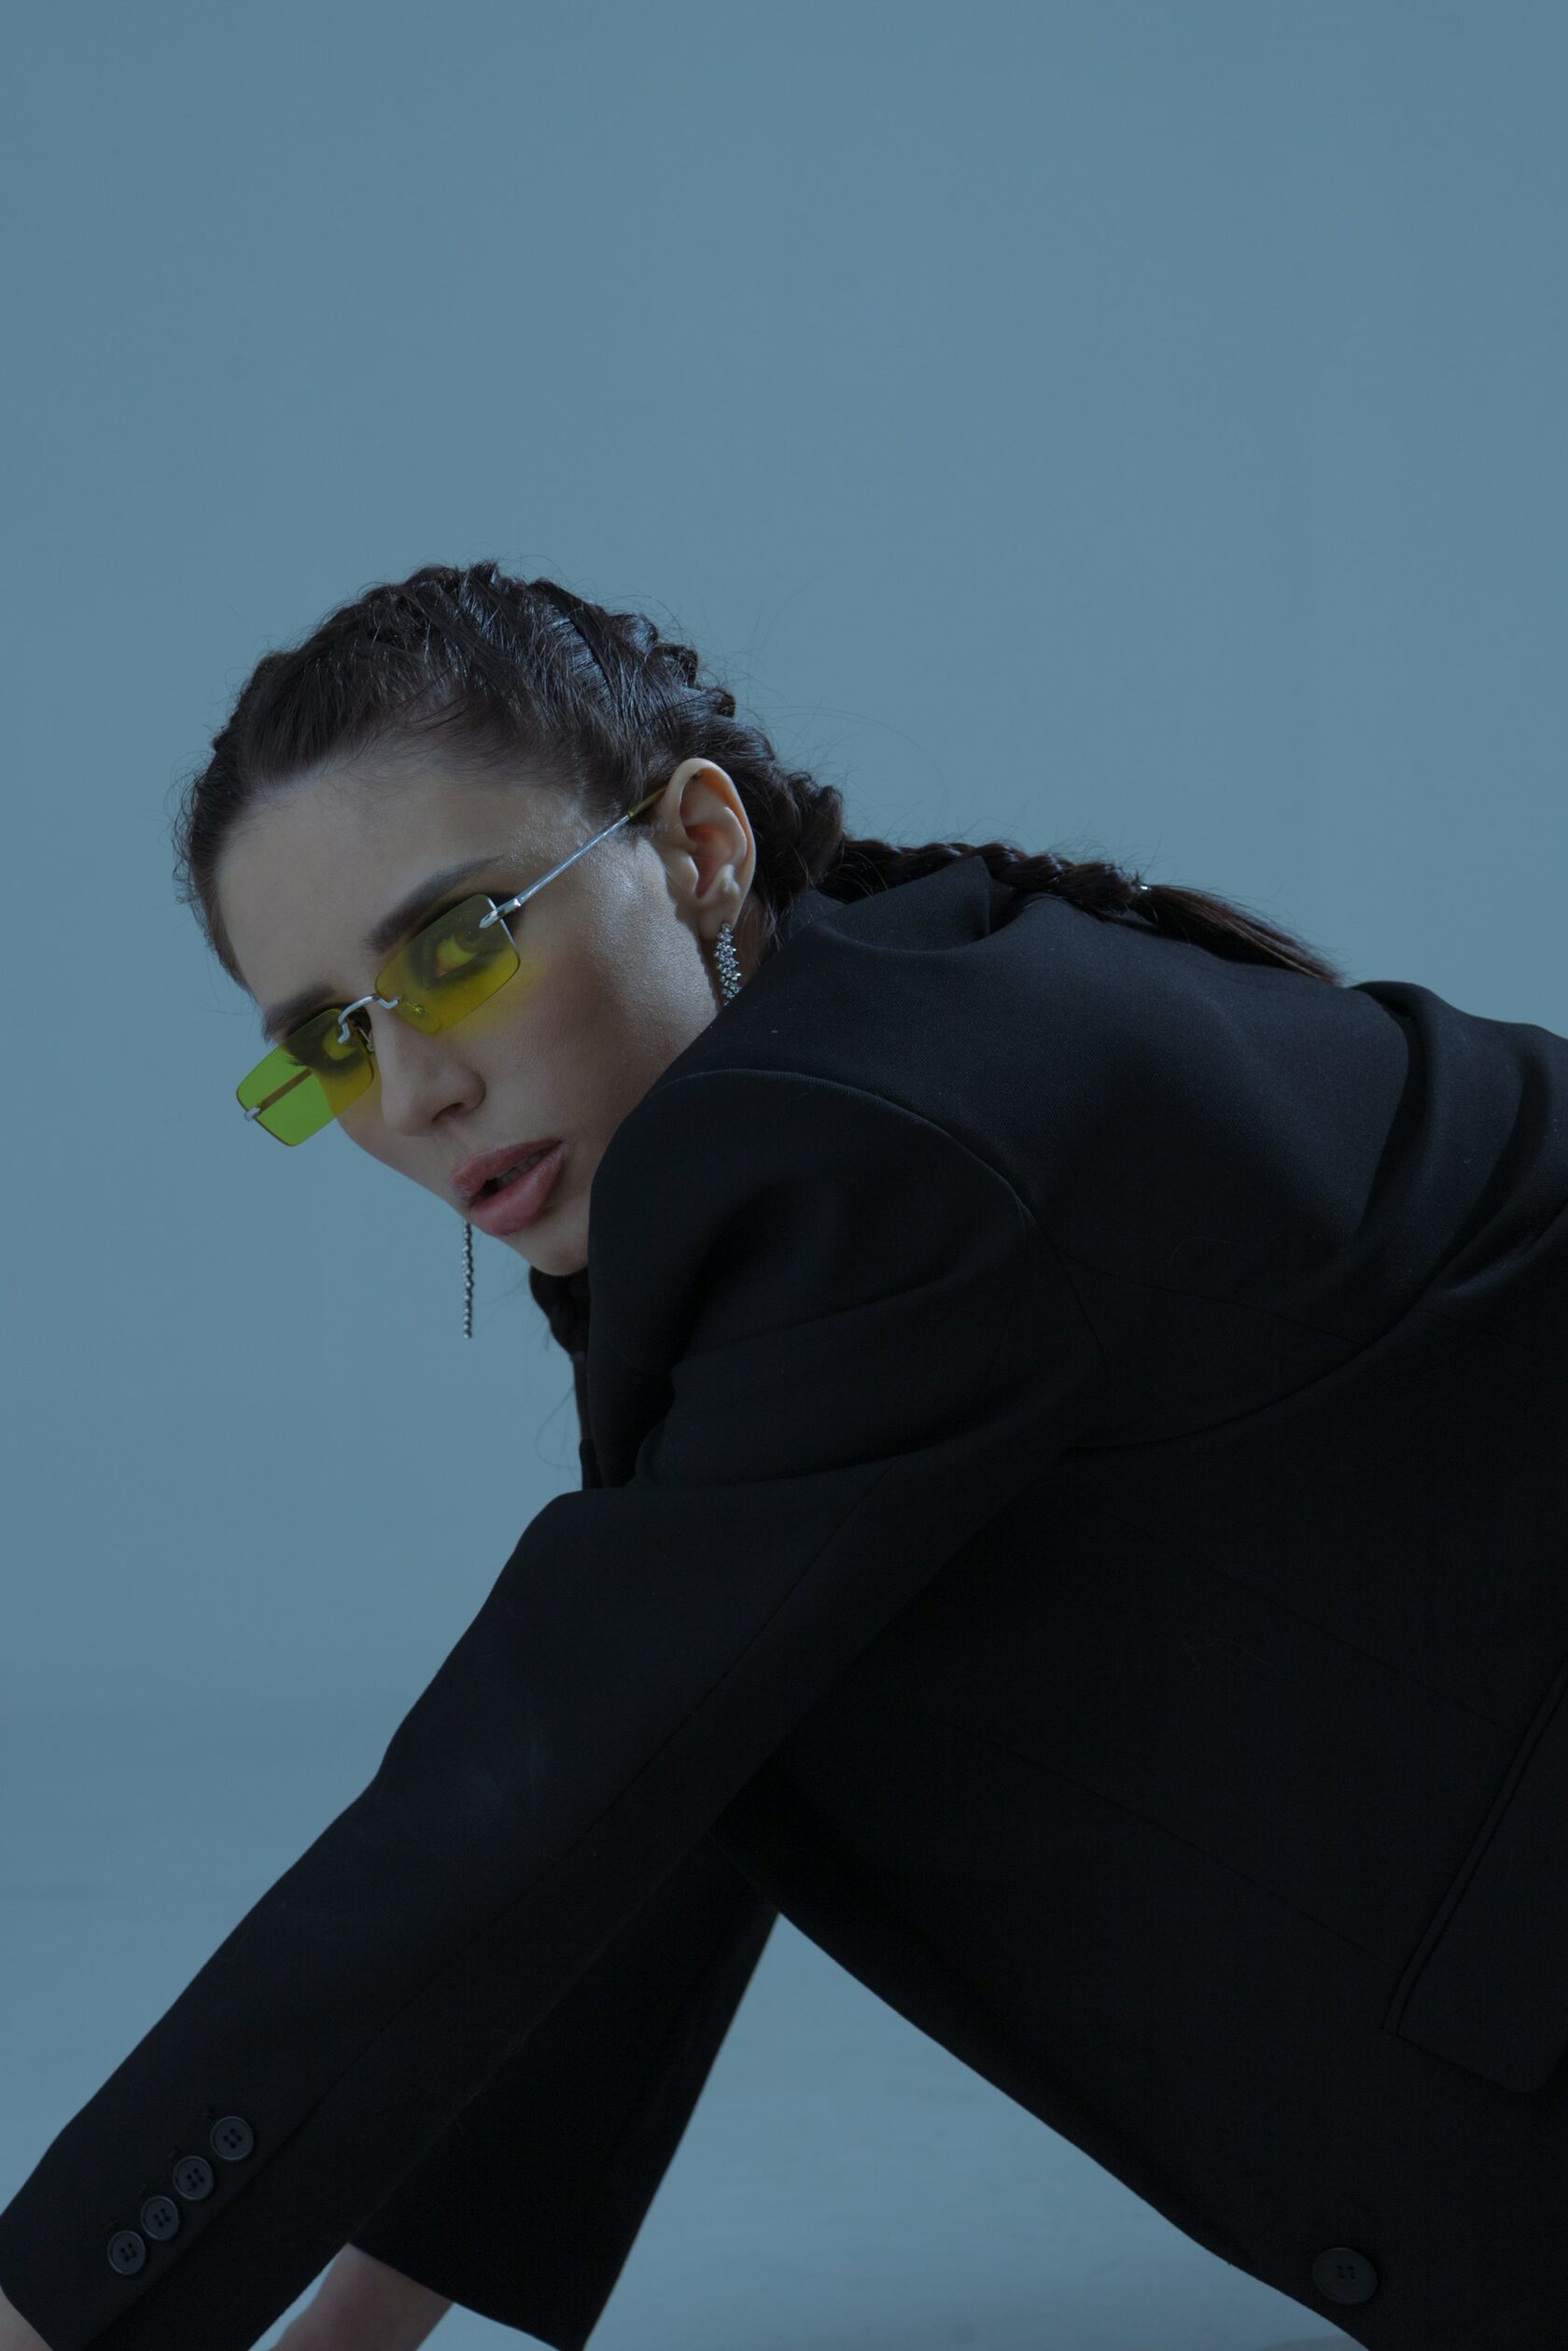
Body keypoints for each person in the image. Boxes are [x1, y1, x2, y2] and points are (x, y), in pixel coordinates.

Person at [6, 561, 1568, 2351]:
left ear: (697, 848)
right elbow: (680, 1747)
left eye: (458, 947)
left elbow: (521, 1798)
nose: (417, 1087)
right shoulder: (848, 1048)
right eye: (327, 1046)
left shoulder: (873, 1149)